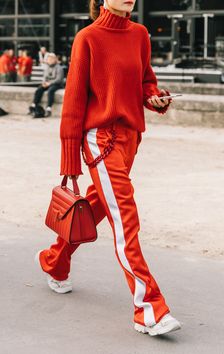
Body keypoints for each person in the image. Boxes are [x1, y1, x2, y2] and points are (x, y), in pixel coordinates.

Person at [35, 0, 181, 336]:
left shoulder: (141, 34)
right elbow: (73, 101)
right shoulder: (87, 38)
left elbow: (146, 82)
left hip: (130, 137)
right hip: (99, 139)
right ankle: (149, 309)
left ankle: (54, 261)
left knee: (103, 203)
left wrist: (154, 97)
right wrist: (70, 159)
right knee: (125, 215)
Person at [28, 52, 64, 117]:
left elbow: (59, 79)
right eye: (48, 59)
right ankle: (34, 105)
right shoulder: (47, 67)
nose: (49, 60)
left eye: (51, 59)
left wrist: (49, 83)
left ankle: (48, 108)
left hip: (56, 84)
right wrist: (44, 83)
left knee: (50, 91)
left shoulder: (59, 68)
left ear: (55, 59)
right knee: (39, 89)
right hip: (47, 83)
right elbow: (44, 77)